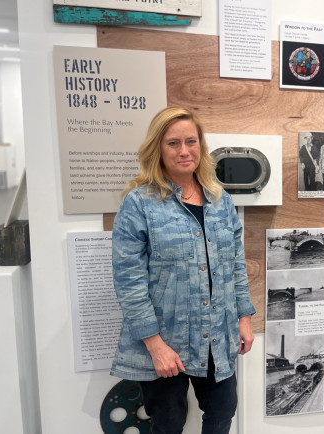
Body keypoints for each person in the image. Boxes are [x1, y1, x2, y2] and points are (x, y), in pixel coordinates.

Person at [110, 106, 256, 434]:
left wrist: (244, 319)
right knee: (168, 422)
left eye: (191, 141)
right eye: (173, 143)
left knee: (222, 411)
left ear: (201, 145)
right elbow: (129, 280)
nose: (184, 151)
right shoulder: (139, 203)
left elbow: (235, 264)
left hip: (216, 334)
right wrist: (154, 345)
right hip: (166, 339)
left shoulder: (220, 200)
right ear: (158, 149)